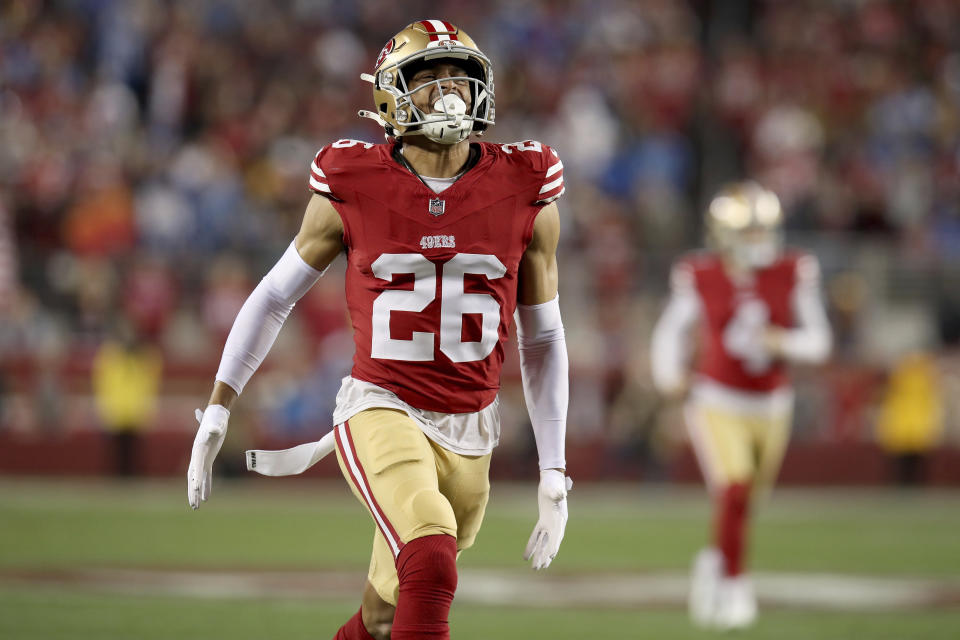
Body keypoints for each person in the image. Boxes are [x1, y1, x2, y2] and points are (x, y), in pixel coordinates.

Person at [186, 20, 571, 640]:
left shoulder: (525, 183)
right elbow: (275, 296)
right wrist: (218, 407)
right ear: (391, 96)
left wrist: (554, 469)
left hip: (473, 424)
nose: (448, 92)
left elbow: (545, 339)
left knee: (383, 615)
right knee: (431, 560)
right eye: (427, 80)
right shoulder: (352, 179)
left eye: (459, 77)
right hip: (382, 405)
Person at [650, 181, 831, 630]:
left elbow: (820, 343)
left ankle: (714, 562)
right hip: (716, 399)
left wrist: (781, 342)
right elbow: (670, 330)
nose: (759, 240)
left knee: (746, 502)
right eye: (749, 231)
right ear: (724, 234)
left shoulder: (794, 270)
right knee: (734, 488)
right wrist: (668, 376)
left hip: (772, 404)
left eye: (763, 230)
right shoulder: (699, 272)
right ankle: (735, 588)